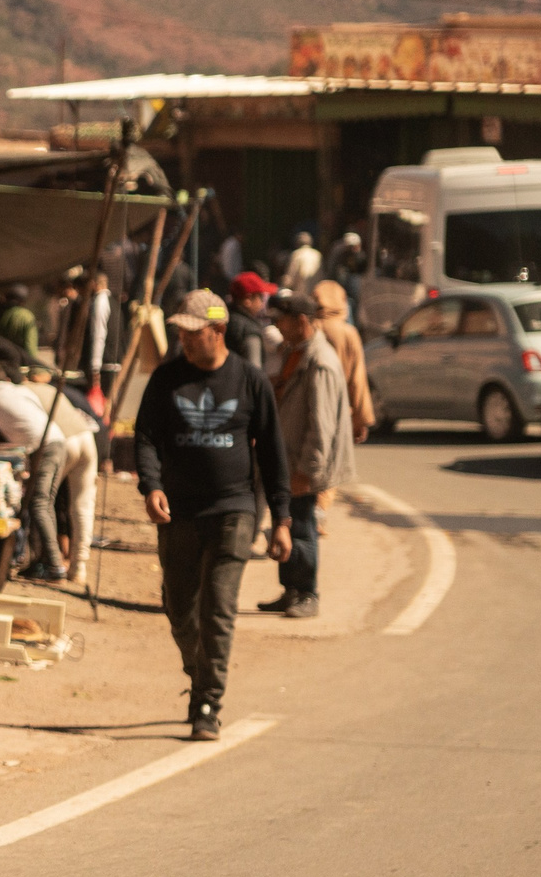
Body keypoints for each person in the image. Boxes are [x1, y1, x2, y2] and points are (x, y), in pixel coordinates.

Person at [134, 290, 291, 741]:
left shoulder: (251, 381)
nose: (183, 339)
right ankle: (198, 670)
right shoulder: (167, 380)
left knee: (217, 609)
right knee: (179, 608)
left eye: (192, 332)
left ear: (218, 331)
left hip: (234, 511)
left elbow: (274, 455)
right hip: (177, 512)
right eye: (180, 332)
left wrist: (281, 518)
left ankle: (207, 702)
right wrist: (152, 485)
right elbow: (145, 437)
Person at [260, 294, 354, 619]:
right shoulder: (295, 353)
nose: (277, 325)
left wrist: (307, 471)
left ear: (300, 321)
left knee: (300, 528)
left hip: (303, 464)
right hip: (287, 460)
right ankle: (290, 591)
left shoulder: (320, 361)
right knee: (284, 525)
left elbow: (321, 426)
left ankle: (307, 594)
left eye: (282, 320)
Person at [0, 356, 94, 583]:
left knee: (39, 503)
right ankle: (70, 565)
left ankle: (53, 564)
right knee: (66, 504)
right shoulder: (19, 392)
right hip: (61, 441)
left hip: (46, 448)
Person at [308, 281, 373, 443]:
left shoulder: (309, 329)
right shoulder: (348, 333)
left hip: (309, 409)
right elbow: (358, 379)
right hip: (340, 409)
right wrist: (360, 420)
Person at [0, 284, 42, 363]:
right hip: (22, 363)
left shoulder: (2, 315)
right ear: (23, 300)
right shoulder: (27, 316)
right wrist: (34, 365)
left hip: (5, 362)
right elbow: (30, 345)